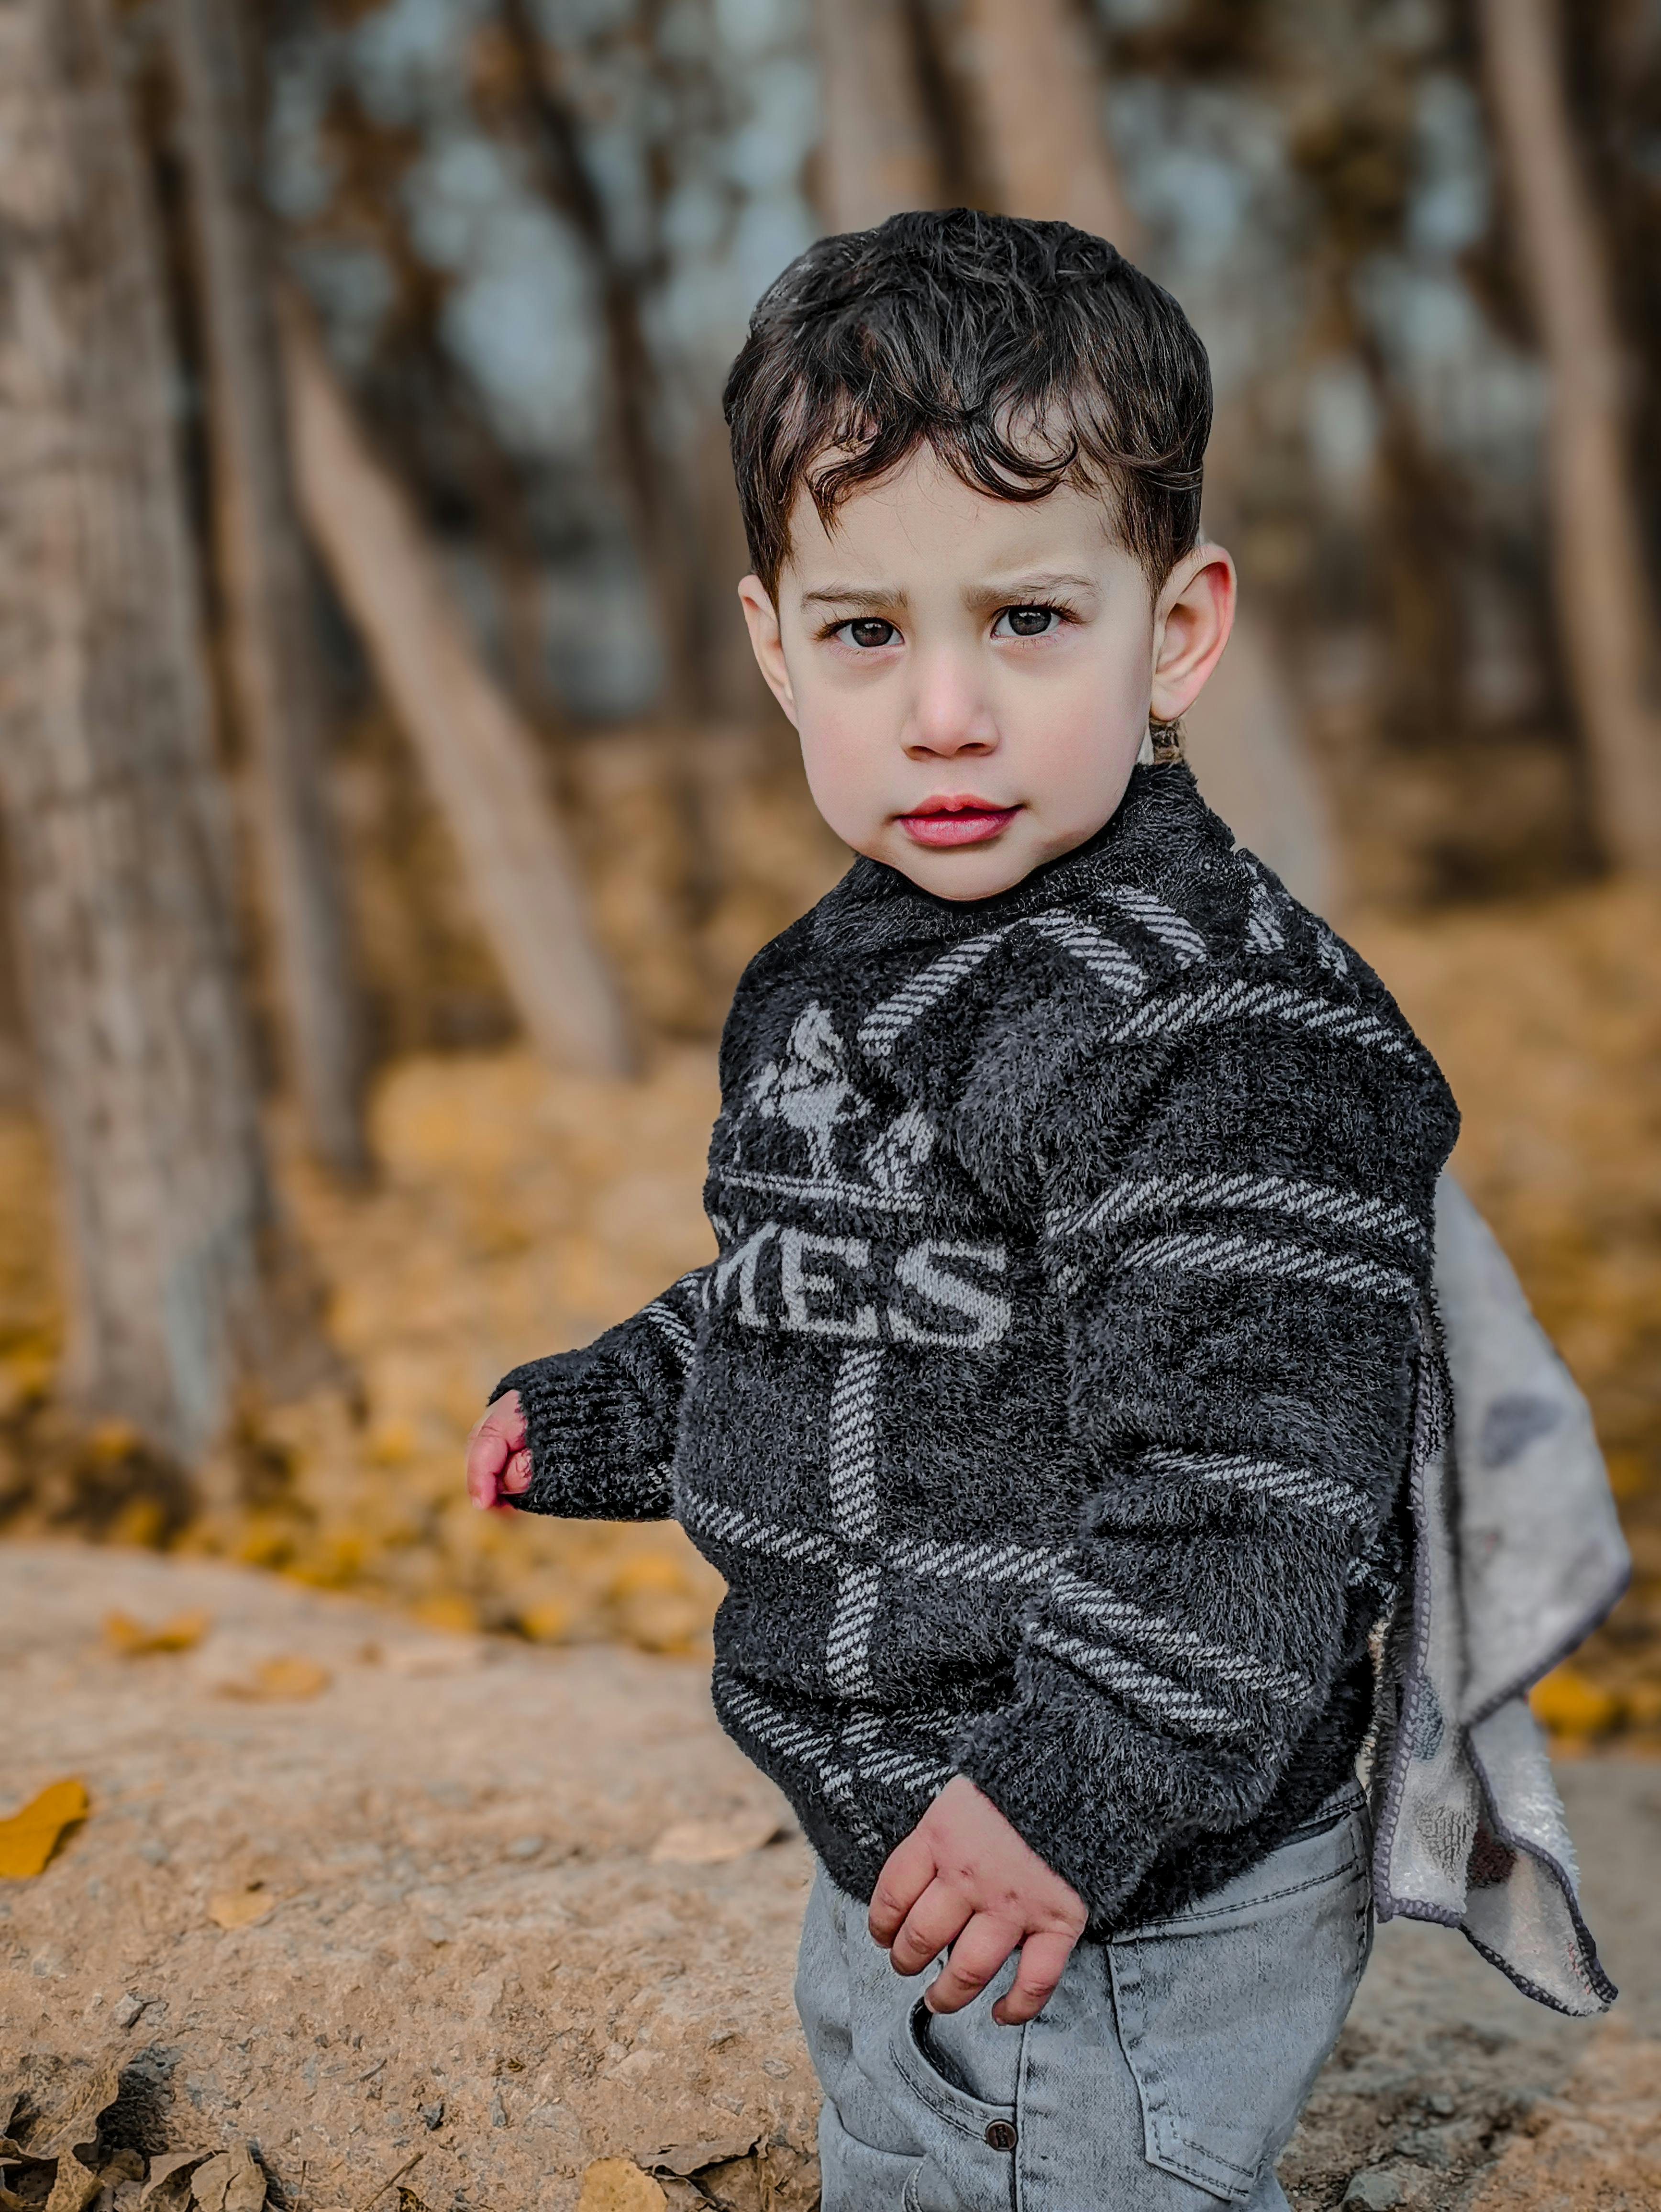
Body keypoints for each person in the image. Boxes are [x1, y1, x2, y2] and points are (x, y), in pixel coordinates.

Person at [465, 210, 1461, 2211]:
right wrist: (611, 1404)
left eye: (1025, 622)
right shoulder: (854, 958)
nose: (942, 712)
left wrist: (1067, 1797)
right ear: (771, 643)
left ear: (1173, 628)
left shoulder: (1206, 1025)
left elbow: (1257, 1478)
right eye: (866, 633)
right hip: (905, 1831)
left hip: (1110, 1884)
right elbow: (823, 1277)